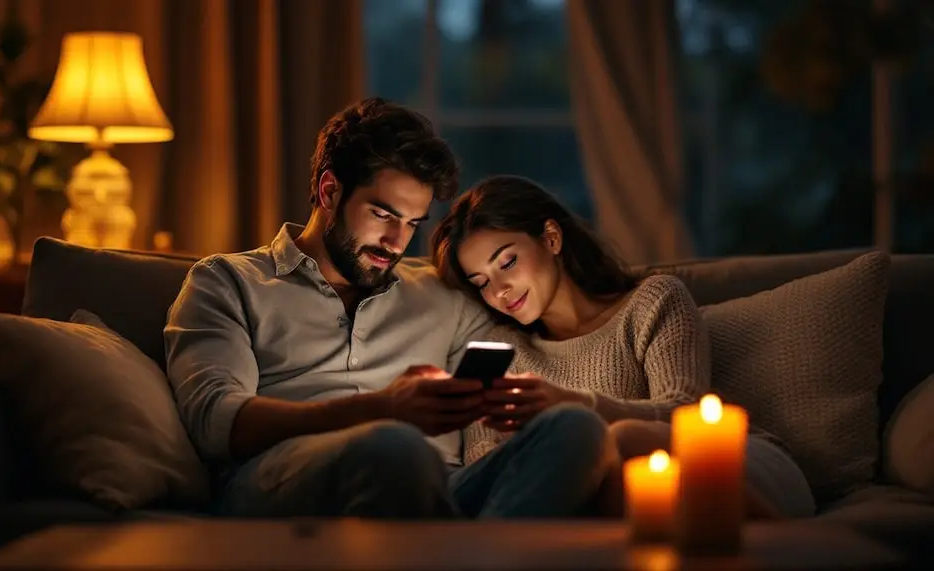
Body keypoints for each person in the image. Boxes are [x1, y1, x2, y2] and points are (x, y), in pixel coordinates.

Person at [163, 98, 617, 519]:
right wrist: (385, 409)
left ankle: (477, 553)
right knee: (395, 447)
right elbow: (215, 421)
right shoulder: (226, 282)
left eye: (412, 223)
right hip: (284, 477)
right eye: (383, 215)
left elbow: (542, 333)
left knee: (577, 429)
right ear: (328, 191)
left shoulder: (443, 294)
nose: (396, 243)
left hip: (447, 485)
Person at [430, 174, 817, 519]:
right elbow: (485, 464)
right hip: (606, 500)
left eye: (508, 262)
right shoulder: (500, 348)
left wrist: (573, 404)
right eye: (481, 282)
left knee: (624, 440)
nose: (498, 290)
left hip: (722, 463)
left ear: (551, 238)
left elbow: (686, 411)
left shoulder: (652, 302)